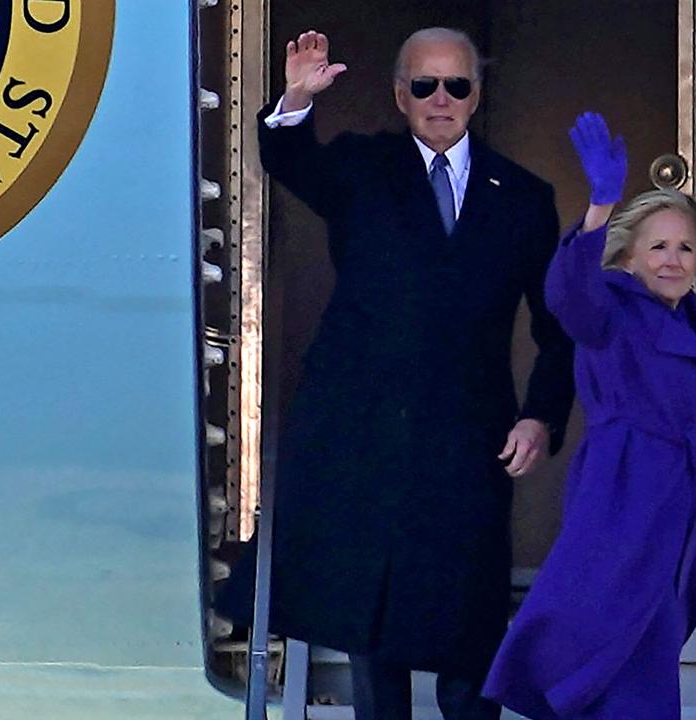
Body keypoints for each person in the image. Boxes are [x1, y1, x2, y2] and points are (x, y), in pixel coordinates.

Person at [218, 28, 575, 720]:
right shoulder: (361, 167)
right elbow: (290, 159)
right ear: (399, 94)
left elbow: (555, 323)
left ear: (476, 95)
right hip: (367, 434)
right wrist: (295, 96)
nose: (441, 100)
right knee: (373, 623)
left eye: (457, 86)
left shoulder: (525, 195)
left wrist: (541, 414)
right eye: (424, 85)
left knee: (469, 628)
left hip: (470, 439)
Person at [481, 112, 696, 720]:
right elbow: (568, 293)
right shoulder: (611, 310)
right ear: (629, 256)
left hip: (676, 517)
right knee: (603, 651)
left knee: (645, 663)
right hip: (620, 506)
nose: (673, 260)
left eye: (685, 247)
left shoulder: (695, 325)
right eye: (658, 247)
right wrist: (600, 203)